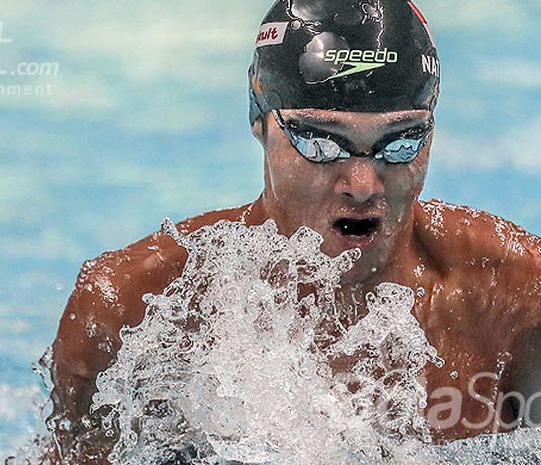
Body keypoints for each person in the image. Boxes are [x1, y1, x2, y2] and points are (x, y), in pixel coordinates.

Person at [48, 0, 541, 462]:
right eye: (322, 143)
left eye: (399, 143)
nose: (363, 185)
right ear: (261, 121)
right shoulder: (134, 308)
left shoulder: (514, 297)